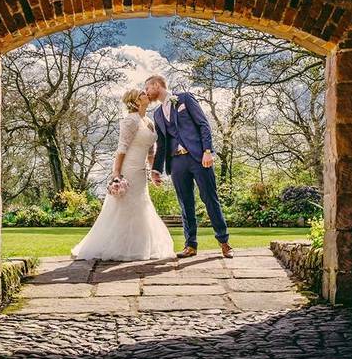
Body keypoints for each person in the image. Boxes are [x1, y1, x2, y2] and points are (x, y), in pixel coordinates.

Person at [71, 88, 175, 261]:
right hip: (128, 169)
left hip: (141, 172)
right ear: (135, 101)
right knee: (124, 207)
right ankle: (116, 247)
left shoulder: (148, 121)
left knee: (141, 206)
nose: (146, 95)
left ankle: (137, 247)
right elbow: (121, 148)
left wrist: (153, 172)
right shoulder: (130, 120)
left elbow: (151, 152)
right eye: (142, 94)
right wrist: (116, 174)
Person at [144, 75, 233, 259]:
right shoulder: (158, 114)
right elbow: (161, 144)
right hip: (176, 162)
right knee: (185, 204)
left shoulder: (184, 98)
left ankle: (224, 243)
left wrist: (207, 151)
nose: (146, 92)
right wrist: (155, 170)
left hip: (199, 158)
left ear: (156, 85)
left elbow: (203, 125)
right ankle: (190, 245)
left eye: (147, 88)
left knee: (210, 198)